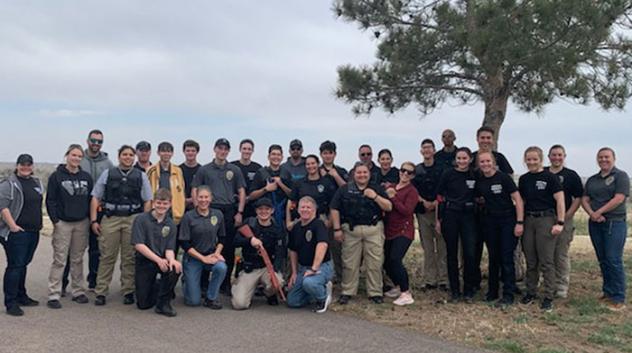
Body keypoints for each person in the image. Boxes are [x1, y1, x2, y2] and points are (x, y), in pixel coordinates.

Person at [90, 145, 153, 306]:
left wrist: (143, 221)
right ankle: (101, 291)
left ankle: (128, 291)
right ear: (119, 157)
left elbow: (147, 200)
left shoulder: (141, 176)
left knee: (129, 257)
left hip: (132, 219)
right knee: (107, 256)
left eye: (131, 155)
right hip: (111, 218)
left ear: (134, 157)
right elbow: (96, 197)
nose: (128, 157)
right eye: (124, 154)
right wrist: (94, 220)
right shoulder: (108, 173)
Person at [330, 163, 392, 305]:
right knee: (350, 263)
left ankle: (375, 292)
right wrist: (337, 229)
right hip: (351, 231)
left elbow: (389, 206)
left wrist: (375, 196)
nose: (362, 175)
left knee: (375, 263)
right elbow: (334, 208)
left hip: (373, 229)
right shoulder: (344, 189)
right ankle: (347, 292)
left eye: (365, 172)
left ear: (369, 174)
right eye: (359, 172)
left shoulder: (377, 188)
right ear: (354, 174)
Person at [191, 138, 246, 294]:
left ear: (228, 151)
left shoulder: (234, 170)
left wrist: (240, 212)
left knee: (227, 248)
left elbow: (241, 191)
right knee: (205, 246)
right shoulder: (205, 169)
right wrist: (197, 208)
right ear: (214, 149)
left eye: (225, 149)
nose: (222, 151)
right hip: (209, 209)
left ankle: (225, 283)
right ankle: (203, 283)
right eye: (220, 148)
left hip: (228, 210)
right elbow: (195, 189)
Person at [46, 145, 93, 309]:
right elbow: (50, 200)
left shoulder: (86, 177)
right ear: (67, 155)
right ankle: (54, 293)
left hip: (81, 222)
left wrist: (89, 219)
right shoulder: (56, 176)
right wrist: (55, 221)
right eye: (74, 155)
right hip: (63, 223)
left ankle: (78, 291)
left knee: (77, 259)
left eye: (80, 156)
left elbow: (90, 199)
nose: (76, 158)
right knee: (59, 259)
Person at [518, 146, 565, 312]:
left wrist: (560, 222)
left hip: (546, 219)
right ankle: (531, 292)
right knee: (531, 260)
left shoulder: (550, 177)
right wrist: (520, 222)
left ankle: (548, 296)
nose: (531, 162)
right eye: (528, 159)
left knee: (546, 260)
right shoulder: (523, 179)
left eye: (534, 159)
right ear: (525, 160)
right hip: (529, 219)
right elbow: (521, 201)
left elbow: (560, 200)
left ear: (541, 159)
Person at [582, 147, 629, 312]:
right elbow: (585, 199)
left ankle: (618, 297)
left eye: (606, 157)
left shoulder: (620, 176)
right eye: (600, 157)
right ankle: (608, 292)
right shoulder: (593, 179)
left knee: (613, 259)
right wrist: (592, 214)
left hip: (614, 222)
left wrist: (600, 212)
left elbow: (619, 198)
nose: (603, 160)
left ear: (613, 158)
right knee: (603, 259)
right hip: (595, 223)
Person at [475, 152, 524, 307]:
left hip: (507, 220)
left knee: (506, 257)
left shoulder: (503, 178)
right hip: (490, 221)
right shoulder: (480, 180)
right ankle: (492, 292)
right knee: (493, 257)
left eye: (488, 161)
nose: (485, 164)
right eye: (482, 162)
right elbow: (478, 197)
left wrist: (520, 222)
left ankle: (508, 294)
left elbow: (517, 199)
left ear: (493, 162)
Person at [471, 126, 515, 291]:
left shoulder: (500, 158)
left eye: (488, 138)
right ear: (477, 139)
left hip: (501, 213)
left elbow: (509, 178)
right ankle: (475, 283)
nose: (485, 141)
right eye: (482, 138)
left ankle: (506, 284)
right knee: (475, 249)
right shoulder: (472, 158)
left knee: (501, 252)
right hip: (477, 213)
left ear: (493, 139)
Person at [0, 154, 44, 316]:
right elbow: (3, 206)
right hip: (17, 232)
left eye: (29, 165)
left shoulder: (36, 183)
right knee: (15, 265)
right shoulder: (9, 183)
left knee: (23, 263)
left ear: (32, 166)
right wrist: (12, 226)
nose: (26, 167)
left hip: (33, 230)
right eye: (23, 165)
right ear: (17, 165)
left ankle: (21, 295)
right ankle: (11, 302)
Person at [435, 147, 478, 303]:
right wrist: (439, 219)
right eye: (459, 158)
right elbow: (439, 197)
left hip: (469, 216)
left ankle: (468, 290)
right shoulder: (448, 174)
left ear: (470, 159)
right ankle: (454, 290)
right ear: (455, 159)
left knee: (470, 254)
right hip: (450, 215)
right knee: (451, 254)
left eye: (464, 158)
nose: (461, 161)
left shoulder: (475, 174)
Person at [131, 188, 182, 317]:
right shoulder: (141, 219)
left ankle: (163, 304)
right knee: (143, 304)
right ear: (153, 203)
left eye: (165, 204)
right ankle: (160, 286)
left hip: (162, 260)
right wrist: (158, 260)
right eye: (159, 203)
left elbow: (169, 249)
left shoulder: (171, 224)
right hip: (145, 260)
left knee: (175, 268)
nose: (161, 206)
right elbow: (139, 245)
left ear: (170, 204)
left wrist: (172, 260)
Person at [232, 198, 286, 309]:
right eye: (260, 209)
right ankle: (238, 286)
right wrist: (250, 240)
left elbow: (280, 252)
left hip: (267, 267)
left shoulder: (277, 229)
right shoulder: (249, 223)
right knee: (239, 304)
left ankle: (269, 293)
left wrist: (274, 271)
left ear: (272, 211)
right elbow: (235, 242)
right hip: (250, 268)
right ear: (256, 211)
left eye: (267, 209)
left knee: (278, 282)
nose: (263, 212)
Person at [179, 186, 227, 309]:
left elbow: (222, 238)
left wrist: (217, 253)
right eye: (200, 197)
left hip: (211, 255)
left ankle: (211, 298)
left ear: (211, 198)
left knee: (221, 267)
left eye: (206, 197)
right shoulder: (188, 216)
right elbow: (184, 243)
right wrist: (202, 258)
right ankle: (187, 281)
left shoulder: (218, 214)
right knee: (193, 302)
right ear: (196, 198)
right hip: (193, 257)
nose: (203, 200)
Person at [545, 145, 583, 299]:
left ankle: (562, 284)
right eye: (553, 155)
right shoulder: (543, 172)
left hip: (564, 219)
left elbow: (578, 198)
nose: (556, 158)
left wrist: (567, 216)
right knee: (545, 253)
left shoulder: (571, 175)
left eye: (559, 155)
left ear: (564, 156)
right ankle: (547, 281)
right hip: (545, 218)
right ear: (548, 156)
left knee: (561, 253)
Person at [79, 129, 114, 291]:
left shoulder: (107, 163)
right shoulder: (79, 158)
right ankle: (65, 283)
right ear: (87, 141)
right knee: (74, 250)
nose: (96, 144)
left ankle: (93, 280)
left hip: (99, 209)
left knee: (96, 248)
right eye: (93, 140)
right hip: (78, 209)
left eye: (99, 141)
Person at [286, 196, 334, 313]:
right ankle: (314, 293)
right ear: (298, 210)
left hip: (321, 266)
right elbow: (293, 251)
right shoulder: (295, 228)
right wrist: (294, 272)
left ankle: (323, 297)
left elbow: (322, 245)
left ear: (314, 210)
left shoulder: (318, 224)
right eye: (302, 207)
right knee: (292, 301)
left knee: (309, 283)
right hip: (303, 268)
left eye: (309, 207)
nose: (305, 210)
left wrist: (314, 268)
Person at [412, 139, 448, 291]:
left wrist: (435, 203)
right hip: (423, 213)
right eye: (424, 148)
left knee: (442, 248)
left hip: (439, 212)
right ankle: (430, 280)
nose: (426, 151)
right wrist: (424, 202)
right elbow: (413, 190)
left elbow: (445, 189)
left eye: (429, 148)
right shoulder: (417, 170)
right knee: (427, 248)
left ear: (434, 150)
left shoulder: (442, 169)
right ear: (421, 151)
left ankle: (443, 279)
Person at [383, 162, 419, 306]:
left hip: (404, 230)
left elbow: (406, 211)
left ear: (412, 176)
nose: (405, 174)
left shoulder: (412, 191)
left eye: (409, 172)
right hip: (389, 229)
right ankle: (398, 286)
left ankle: (406, 292)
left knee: (395, 259)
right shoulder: (391, 187)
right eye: (403, 170)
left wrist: (393, 197)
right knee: (386, 261)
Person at [318, 140, 348, 282]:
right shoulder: (316, 170)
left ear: (335, 154)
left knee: (337, 248)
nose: (328, 156)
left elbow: (346, 190)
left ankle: (341, 278)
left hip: (338, 216)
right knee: (320, 247)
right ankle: (323, 277)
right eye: (325, 153)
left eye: (330, 153)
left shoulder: (341, 171)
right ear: (321, 154)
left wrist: (335, 175)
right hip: (320, 215)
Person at [287, 155, 337, 229]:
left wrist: (330, 222)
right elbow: (291, 201)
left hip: (321, 218)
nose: (310, 166)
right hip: (302, 218)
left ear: (318, 164)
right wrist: (288, 222)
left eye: (313, 163)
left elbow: (333, 203)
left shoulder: (326, 183)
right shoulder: (299, 183)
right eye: (308, 164)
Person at [250, 144, 292, 227]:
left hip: (282, 215)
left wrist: (281, 184)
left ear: (282, 157)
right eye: (273, 154)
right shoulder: (261, 173)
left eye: (278, 154)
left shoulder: (286, 173)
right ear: (268, 157)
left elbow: (292, 194)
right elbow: (251, 196)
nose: (276, 157)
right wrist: (265, 189)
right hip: (264, 214)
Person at [146, 142, 185, 224]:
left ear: (172, 153)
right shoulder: (150, 170)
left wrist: (180, 211)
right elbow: (147, 192)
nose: (166, 154)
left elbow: (181, 192)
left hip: (173, 212)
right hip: (156, 209)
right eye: (163, 151)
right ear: (158, 153)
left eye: (169, 151)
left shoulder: (178, 170)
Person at [231, 139, 263, 218]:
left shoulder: (258, 168)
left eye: (249, 149)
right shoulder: (232, 166)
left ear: (252, 151)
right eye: (244, 148)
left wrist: (249, 198)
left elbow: (261, 187)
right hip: (234, 205)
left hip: (252, 206)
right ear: (240, 149)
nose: (246, 151)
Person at [179, 139, 201, 211]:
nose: (190, 153)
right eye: (188, 151)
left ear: (197, 152)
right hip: (180, 206)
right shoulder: (178, 170)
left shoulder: (202, 170)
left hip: (198, 206)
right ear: (184, 152)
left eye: (193, 151)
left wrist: (193, 199)